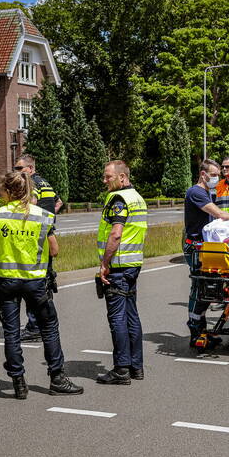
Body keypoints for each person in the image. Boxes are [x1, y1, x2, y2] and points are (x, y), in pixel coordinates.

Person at [0, 171, 81, 398]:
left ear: (7, 192)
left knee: (11, 332)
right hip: (35, 281)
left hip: (6, 281)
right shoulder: (41, 216)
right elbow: (54, 249)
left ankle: (18, 382)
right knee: (49, 328)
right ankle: (57, 378)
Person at [184, 159, 229, 347]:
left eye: (218, 175)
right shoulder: (196, 192)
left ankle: (202, 329)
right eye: (213, 175)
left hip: (207, 246)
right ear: (203, 174)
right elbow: (219, 214)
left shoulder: (207, 192)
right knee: (199, 289)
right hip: (196, 247)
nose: (216, 178)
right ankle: (195, 330)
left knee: (209, 288)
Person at [97, 160, 149, 384]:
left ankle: (121, 370)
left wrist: (104, 263)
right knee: (131, 316)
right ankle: (136, 367)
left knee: (117, 318)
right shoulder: (138, 198)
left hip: (117, 267)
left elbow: (116, 234)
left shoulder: (119, 199)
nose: (105, 180)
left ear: (122, 177)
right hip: (133, 265)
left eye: (108, 176)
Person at [15, 155, 63, 342]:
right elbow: (58, 203)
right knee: (44, 279)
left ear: (30, 169)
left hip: (35, 237)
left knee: (32, 281)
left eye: (20, 169)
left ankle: (34, 326)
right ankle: (45, 322)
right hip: (47, 233)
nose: (17, 172)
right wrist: (48, 217)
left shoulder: (32, 183)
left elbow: (32, 203)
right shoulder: (46, 183)